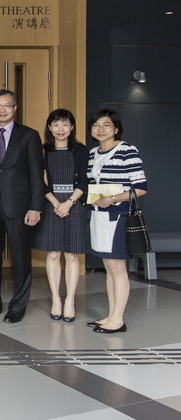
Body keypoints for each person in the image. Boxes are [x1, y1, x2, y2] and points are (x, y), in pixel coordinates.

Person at [0, 90, 46, 323]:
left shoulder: (29, 136)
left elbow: (37, 176)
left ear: (15, 108)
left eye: (7, 106)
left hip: (19, 207)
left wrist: (35, 207)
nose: (2, 110)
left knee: (20, 260)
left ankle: (18, 307)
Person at [86, 109, 147, 334]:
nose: (100, 129)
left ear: (116, 129)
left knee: (117, 268)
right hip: (98, 215)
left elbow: (140, 188)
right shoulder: (93, 153)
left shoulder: (127, 150)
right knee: (108, 268)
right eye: (96, 125)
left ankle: (118, 319)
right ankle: (111, 315)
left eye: (106, 125)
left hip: (118, 216)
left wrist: (111, 199)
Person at [33, 109, 89, 322]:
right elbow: (39, 180)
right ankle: (56, 298)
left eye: (65, 124)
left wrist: (69, 203)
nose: (60, 129)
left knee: (72, 255)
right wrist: (57, 203)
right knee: (54, 253)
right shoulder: (43, 151)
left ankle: (70, 300)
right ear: (49, 127)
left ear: (72, 127)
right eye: (56, 125)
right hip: (51, 204)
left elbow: (85, 180)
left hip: (74, 204)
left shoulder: (81, 150)